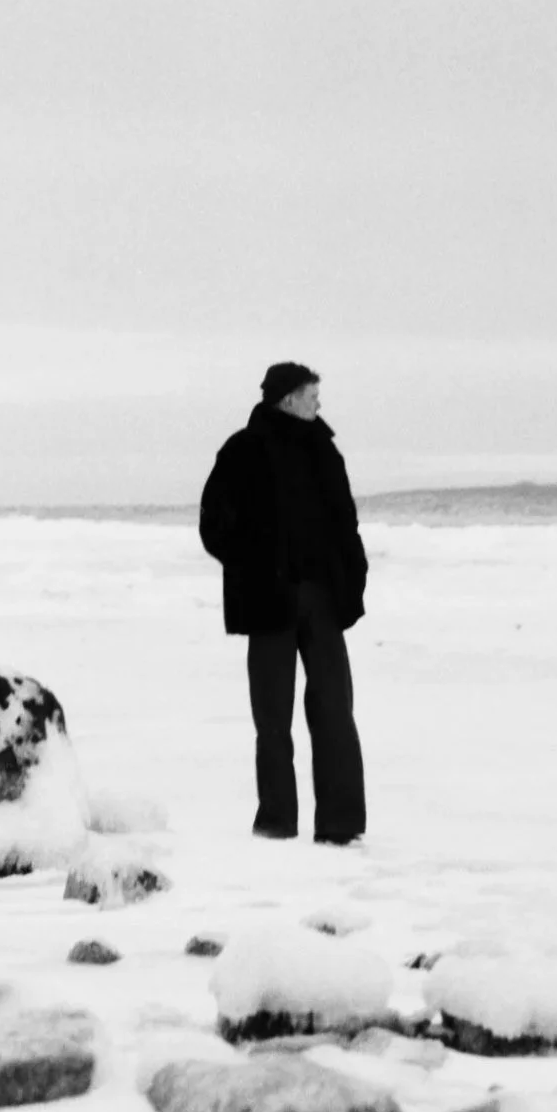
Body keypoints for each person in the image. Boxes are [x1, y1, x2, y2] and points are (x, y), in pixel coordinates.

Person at [198, 362, 368, 844]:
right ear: (289, 398)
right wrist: (252, 568)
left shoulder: (324, 451)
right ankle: (276, 823)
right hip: (267, 601)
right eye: (312, 395)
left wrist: (352, 578)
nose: (319, 403)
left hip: (323, 600)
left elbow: (346, 524)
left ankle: (340, 826)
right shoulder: (242, 449)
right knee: (272, 719)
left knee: (335, 710)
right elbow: (214, 525)